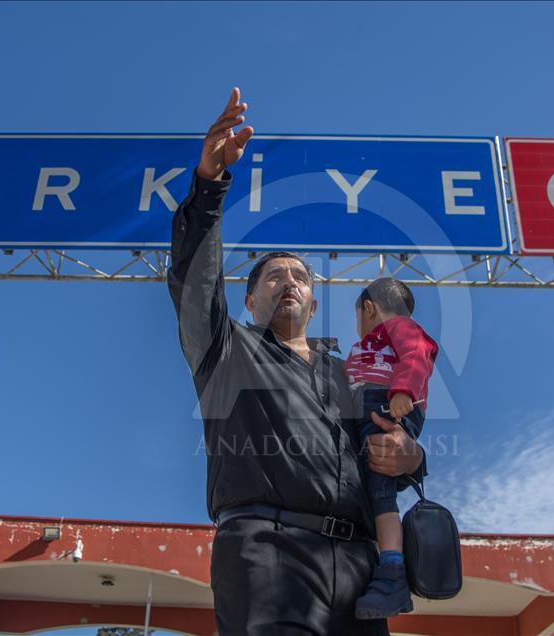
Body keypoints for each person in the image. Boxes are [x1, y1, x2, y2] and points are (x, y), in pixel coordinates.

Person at [167, 87, 426, 635]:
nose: (289, 281)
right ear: (248, 300)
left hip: (359, 571)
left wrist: (412, 457)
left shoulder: (351, 372)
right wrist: (209, 185)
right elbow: (195, 283)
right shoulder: (225, 351)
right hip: (265, 553)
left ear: (314, 304)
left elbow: (388, 443)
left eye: (300, 277)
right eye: (274, 276)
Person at [344, 278, 438, 619]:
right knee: (369, 489)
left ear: (368, 309)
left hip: (386, 408)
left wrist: (403, 391)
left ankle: (393, 572)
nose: (358, 327)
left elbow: (417, 356)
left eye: (358, 317)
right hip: (366, 408)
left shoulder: (400, 327)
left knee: (380, 490)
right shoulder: (368, 347)